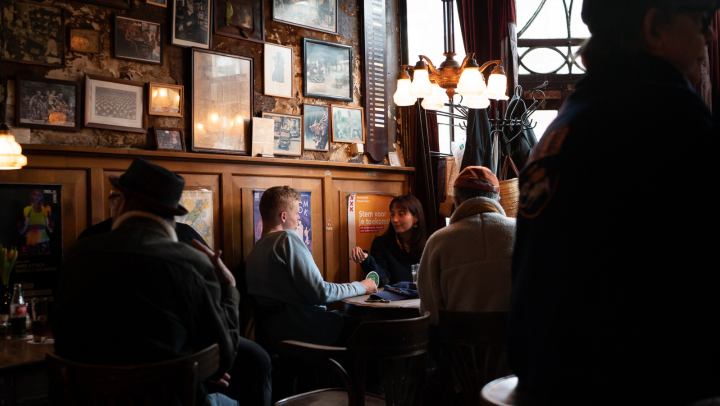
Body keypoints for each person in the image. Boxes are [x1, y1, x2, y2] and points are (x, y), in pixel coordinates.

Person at [507, 1, 720, 405]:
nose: (709, 37)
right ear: (654, 27)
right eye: (701, 22)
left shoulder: (573, 118)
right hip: (625, 382)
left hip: (547, 374)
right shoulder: (666, 114)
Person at [54, 158, 270, 406]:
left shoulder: (77, 255)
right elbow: (221, 361)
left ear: (122, 202)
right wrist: (229, 289)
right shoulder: (193, 262)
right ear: (172, 214)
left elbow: (64, 338)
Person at [246, 186, 378, 352]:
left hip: (275, 338)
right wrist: (362, 286)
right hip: (308, 333)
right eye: (296, 213)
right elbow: (321, 293)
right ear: (284, 216)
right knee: (372, 329)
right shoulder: (287, 238)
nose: (299, 218)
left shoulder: (254, 251)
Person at [417, 167, 515, 326]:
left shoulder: (438, 242)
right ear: (498, 200)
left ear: (456, 200)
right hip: (517, 347)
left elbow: (430, 313)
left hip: (458, 348)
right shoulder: (524, 233)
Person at [350, 195, 427, 286]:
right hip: (395, 299)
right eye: (392, 214)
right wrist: (367, 260)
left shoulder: (431, 240)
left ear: (416, 217)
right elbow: (383, 280)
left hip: (425, 298)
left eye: (401, 214)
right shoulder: (381, 244)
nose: (394, 219)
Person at [19, 189, 54, 255]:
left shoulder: (46, 208)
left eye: (39, 195)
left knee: (44, 258)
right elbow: (24, 225)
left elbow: (49, 225)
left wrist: (51, 226)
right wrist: (21, 230)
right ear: (31, 196)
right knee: (31, 258)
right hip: (31, 236)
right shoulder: (27, 209)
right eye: (35, 194)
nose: (37, 197)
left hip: (43, 236)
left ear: (41, 197)